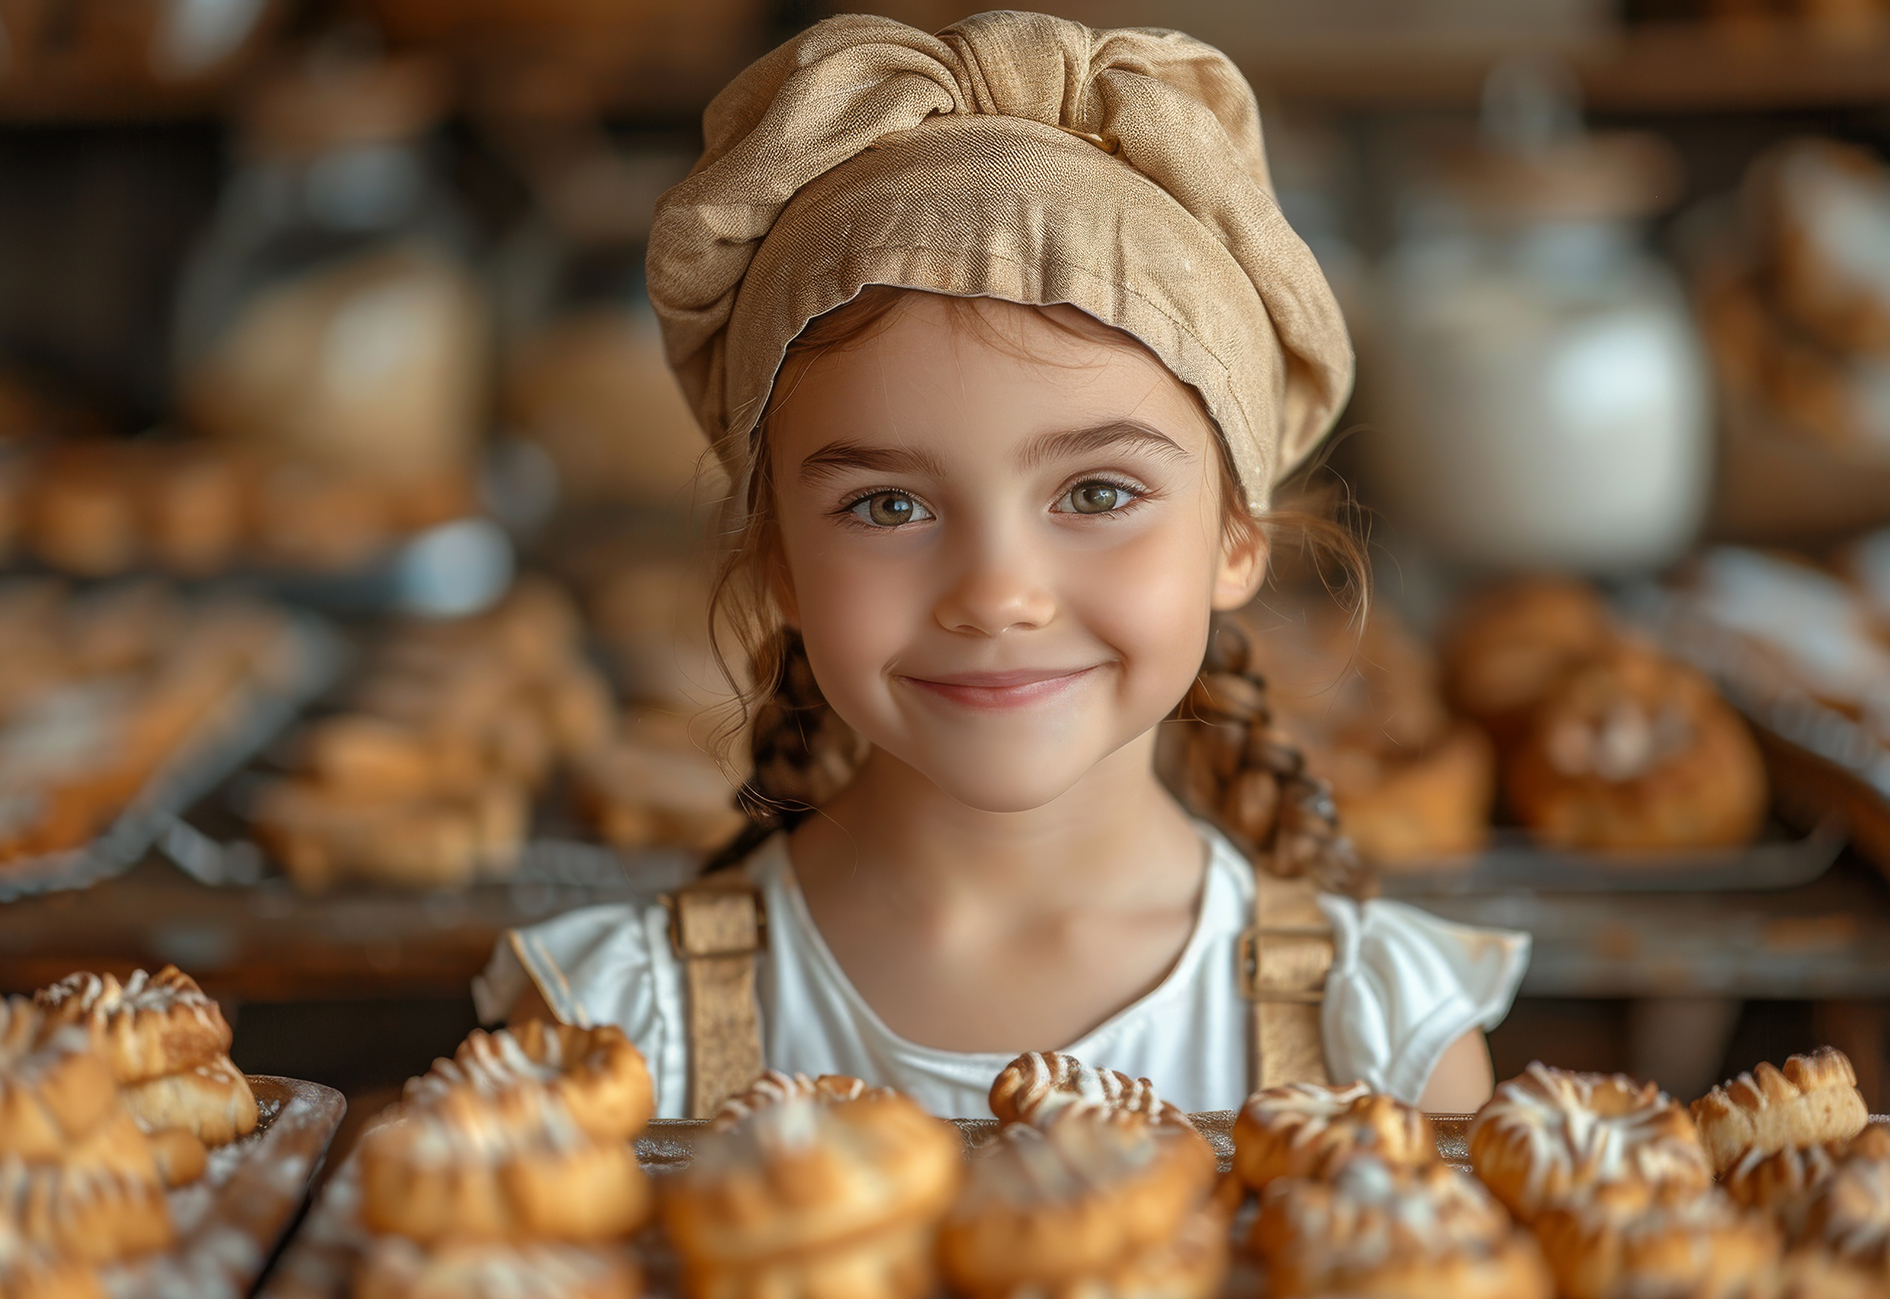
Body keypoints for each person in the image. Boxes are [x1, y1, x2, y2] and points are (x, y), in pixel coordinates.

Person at [476, 11, 1528, 1119]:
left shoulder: (1382, 1047)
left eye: (1096, 494)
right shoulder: (619, 1038)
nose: (997, 594)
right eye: (887, 504)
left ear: (1236, 538)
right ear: (778, 559)